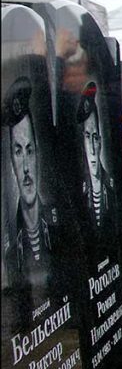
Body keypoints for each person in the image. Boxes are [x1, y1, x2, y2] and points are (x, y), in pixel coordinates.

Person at [2, 76, 51, 292]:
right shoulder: (11, 250)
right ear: (11, 160)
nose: (25, 169)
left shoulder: (59, 227)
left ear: (38, 154)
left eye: (29, 151)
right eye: (18, 151)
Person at [78, 82, 114, 230]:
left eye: (95, 138)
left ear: (100, 140)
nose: (92, 149)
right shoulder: (79, 191)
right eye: (87, 137)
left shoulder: (111, 187)